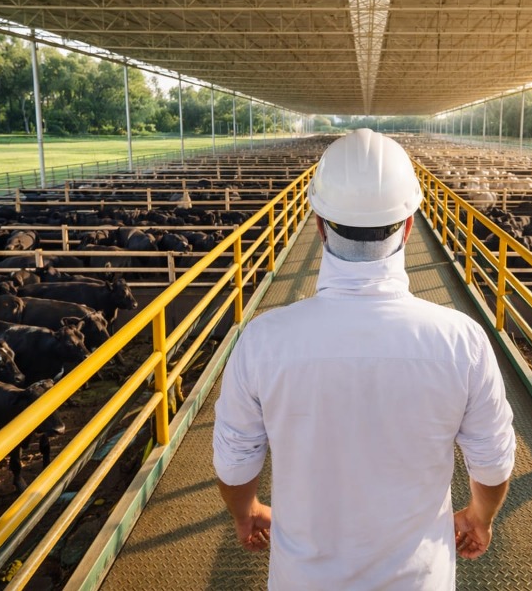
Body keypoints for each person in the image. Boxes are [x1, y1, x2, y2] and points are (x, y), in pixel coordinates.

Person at [213, 128, 516, 590]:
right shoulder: (462, 340)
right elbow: (493, 462)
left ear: (318, 224)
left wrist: (247, 512)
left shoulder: (263, 339)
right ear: (410, 225)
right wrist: (479, 517)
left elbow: (235, 460)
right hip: (419, 579)